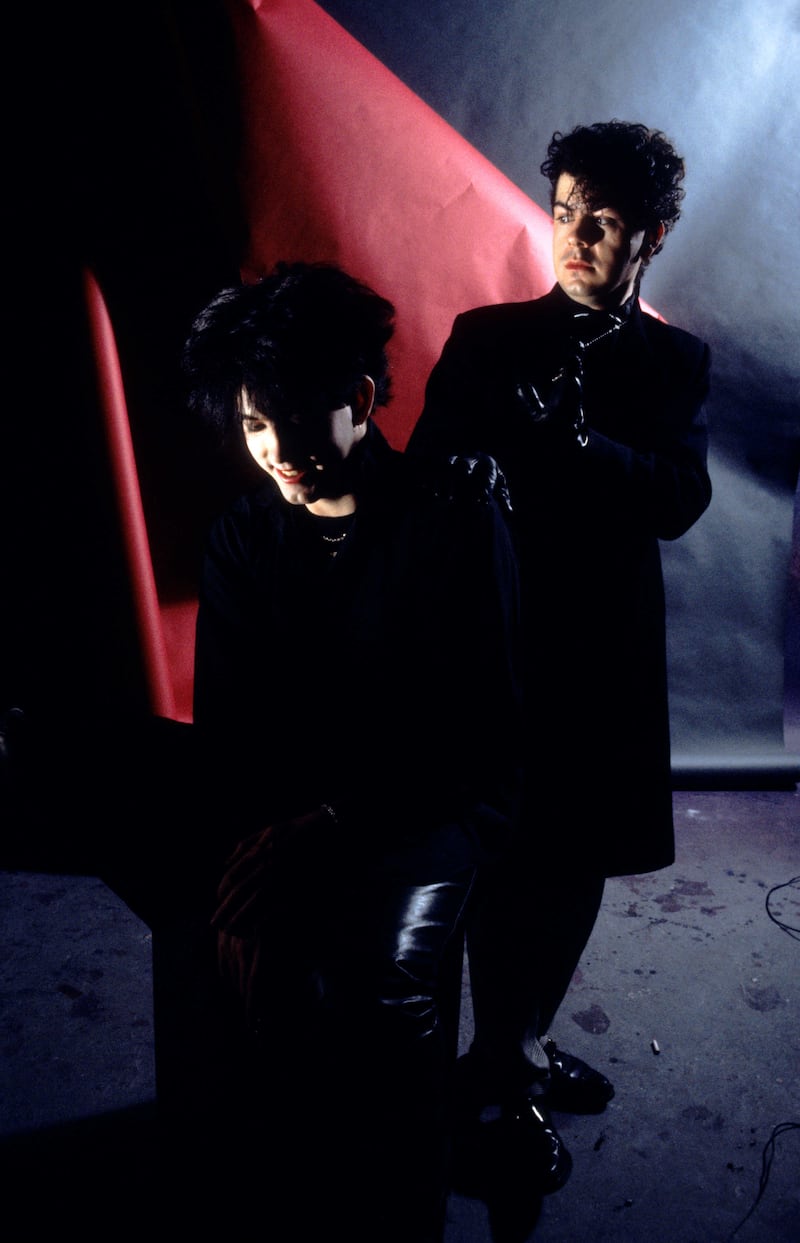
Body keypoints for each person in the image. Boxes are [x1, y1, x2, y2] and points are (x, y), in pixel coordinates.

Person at [179, 260, 523, 1240]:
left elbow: (480, 734)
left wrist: (330, 826)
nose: (275, 447)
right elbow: (234, 732)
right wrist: (247, 867)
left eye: (292, 416)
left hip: (438, 801)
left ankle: (399, 1204)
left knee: (374, 982)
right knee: (240, 935)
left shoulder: (454, 513)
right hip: (300, 803)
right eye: (251, 424)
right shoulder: (245, 537)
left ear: (360, 397)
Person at [407, 120, 713, 1189]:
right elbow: (420, 481)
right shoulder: (486, 339)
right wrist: (493, 466)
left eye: (605, 221)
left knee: (579, 858)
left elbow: (679, 499)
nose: (575, 235)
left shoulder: (675, 361)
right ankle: (495, 1067)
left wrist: (584, 449)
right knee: (505, 857)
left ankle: (519, 1044)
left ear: (651, 237)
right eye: (563, 210)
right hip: (497, 644)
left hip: (609, 652)